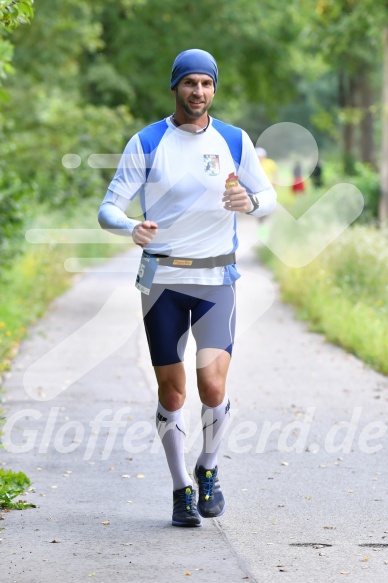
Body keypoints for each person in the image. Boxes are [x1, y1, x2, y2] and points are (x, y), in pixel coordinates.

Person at [98, 49, 277, 527]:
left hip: (216, 277)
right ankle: (181, 489)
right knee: (173, 391)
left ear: (214, 89)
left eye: (206, 84)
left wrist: (251, 199)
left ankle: (209, 468)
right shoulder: (148, 141)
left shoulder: (234, 140)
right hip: (162, 280)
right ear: (175, 87)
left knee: (212, 384)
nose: (198, 92)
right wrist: (130, 226)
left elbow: (269, 200)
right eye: (189, 83)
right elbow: (108, 207)